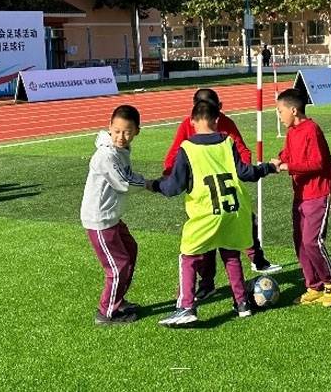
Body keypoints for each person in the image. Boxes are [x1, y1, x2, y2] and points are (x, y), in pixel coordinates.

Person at [147, 101, 277, 327]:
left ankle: (186, 307)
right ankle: (242, 304)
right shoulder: (228, 142)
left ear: (192, 121)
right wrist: (268, 167)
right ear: (217, 121)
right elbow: (245, 173)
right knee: (231, 254)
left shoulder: (188, 148)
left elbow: (174, 187)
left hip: (206, 213)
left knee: (188, 257)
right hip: (234, 211)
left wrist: (154, 185)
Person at [162, 89, 282, 295]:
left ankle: (257, 261)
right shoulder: (188, 125)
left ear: (219, 110)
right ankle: (208, 285)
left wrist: (240, 170)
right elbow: (174, 154)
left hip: (228, 190)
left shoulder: (226, 124)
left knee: (245, 224)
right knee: (206, 244)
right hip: (204, 194)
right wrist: (171, 175)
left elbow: (242, 149)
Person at [272, 88, 331, 307]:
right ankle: (314, 285)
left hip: (317, 193)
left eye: (280, 111)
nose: (279, 116)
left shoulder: (312, 129)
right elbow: (288, 153)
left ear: (293, 110)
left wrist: (288, 166)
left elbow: (317, 163)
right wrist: (278, 159)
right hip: (300, 194)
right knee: (300, 243)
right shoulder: (292, 131)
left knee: (312, 242)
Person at [81, 105, 147, 325]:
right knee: (118, 266)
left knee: (130, 250)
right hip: (99, 220)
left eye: (127, 132)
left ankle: (117, 300)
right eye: (117, 131)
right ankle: (106, 312)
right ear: (109, 127)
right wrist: (150, 184)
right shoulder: (106, 155)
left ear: (137, 131)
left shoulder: (121, 151)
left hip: (112, 217)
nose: (121, 136)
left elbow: (127, 175)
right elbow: (124, 183)